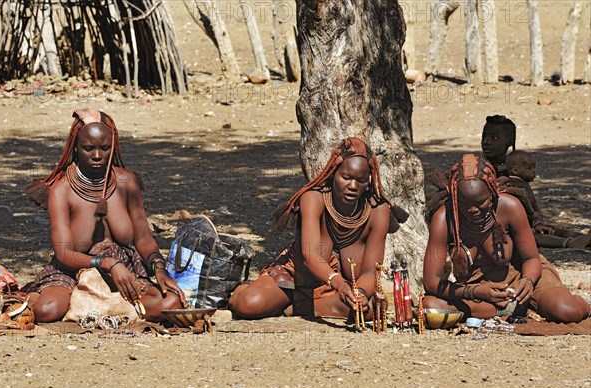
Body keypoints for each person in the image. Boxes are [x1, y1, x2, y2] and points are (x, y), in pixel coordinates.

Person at [24, 108, 187, 323]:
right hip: (73, 270)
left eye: (105, 148)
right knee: (47, 310)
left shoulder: (126, 182)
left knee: (171, 304)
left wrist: (159, 269)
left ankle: (92, 308)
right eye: (89, 148)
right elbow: (63, 254)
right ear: (75, 148)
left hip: (125, 271)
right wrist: (108, 263)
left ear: (114, 147)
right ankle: (96, 305)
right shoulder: (62, 190)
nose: (98, 156)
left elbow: (143, 238)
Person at [228, 137, 407, 319]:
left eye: (361, 180)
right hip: (294, 279)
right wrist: (338, 283)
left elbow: (370, 271)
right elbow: (311, 256)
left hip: (337, 290)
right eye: (346, 177)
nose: (353, 186)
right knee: (249, 304)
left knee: (368, 310)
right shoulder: (314, 198)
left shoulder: (378, 210)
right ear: (334, 173)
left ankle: (297, 308)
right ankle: (253, 293)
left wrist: (358, 292)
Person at [423, 154, 590, 323]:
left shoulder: (510, 207)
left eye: (480, 202)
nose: (472, 210)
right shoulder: (444, 218)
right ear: (454, 196)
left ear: (492, 192)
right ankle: (506, 311)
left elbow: (531, 258)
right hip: (477, 294)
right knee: (431, 306)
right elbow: (432, 281)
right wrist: (473, 292)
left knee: (567, 311)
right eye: (464, 203)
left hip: (522, 279)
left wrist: (528, 281)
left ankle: (581, 304)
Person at [504, 150, 591, 249]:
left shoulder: (524, 184)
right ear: (515, 170)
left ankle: (584, 238)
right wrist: (535, 220)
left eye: (534, 168)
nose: (534, 172)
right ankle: (569, 243)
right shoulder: (514, 185)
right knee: (534, 236)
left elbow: (535, 207)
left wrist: (538, 222)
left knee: (553, 230)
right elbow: (527, 206)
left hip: (530, 223)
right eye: (529, 168)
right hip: (518, 227)